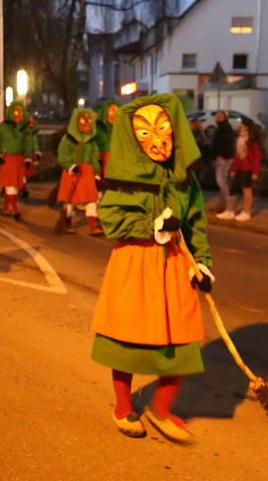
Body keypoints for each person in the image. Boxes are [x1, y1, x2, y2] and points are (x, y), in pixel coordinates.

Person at [90, 94, 212, 444]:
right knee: (126, 337)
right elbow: (111, 218)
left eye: (163, 130)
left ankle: (161, 408)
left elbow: (197, 224)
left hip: (174, 263)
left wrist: (202, 262)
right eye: (144, 133)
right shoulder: (123, 176)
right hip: (135, 262)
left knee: (183, 338)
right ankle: (122, 405)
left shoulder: (184, 179)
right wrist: (151, 224)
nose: (156, 140)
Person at [56, 107, 102, 235]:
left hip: (86, 172)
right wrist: (70, 166)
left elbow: (95, 157)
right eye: (83, 121)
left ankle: (93, 227)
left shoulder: (91, 142)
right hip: (72, 172)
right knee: (70, 200)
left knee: (91, 199)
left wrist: (96, 173)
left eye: (88, 121)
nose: (86, 124)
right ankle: (68, 224)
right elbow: (62, 156)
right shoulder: (68, 140)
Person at [0, 101, 33, 218]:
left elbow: (27, 143)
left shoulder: (24, 129)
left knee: (14, 185)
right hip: (7, 159)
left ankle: (6, 207)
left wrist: (27, 158)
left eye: (21, 114)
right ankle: (15, 209)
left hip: (19, 159)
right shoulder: (2, 127)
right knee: (11, 185)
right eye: (16, 114)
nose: (19, 117)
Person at [224, 120, 262, 221]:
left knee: (247, 190)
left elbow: (257, 157)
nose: (241, 128)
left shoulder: (252, 141)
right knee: (232, 188)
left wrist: (255, 172)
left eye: (244, 127)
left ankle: (246, 212)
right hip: (240, 168)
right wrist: (233, 169)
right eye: (241, 127)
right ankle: (230, 210)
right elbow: (237, 156)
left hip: (248, 169)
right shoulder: (240, 139)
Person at [211, 111, 236, 218]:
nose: (217, 118)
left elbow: (225, 142)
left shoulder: (225, 129)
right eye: (217, 116)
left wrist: (221, 154)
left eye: (219, 116)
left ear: (224, 118)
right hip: (222, 157)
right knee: (222, 180)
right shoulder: (222, 128)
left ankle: (227, 204)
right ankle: (222, 203)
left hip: (223, 158)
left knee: (221, 180)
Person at [94, 100, 121, 180]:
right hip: (100, 161)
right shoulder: (97, 128)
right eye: (110, 112)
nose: (112, 115)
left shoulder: (121, 130)